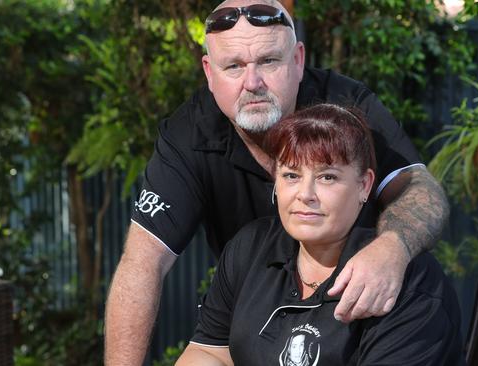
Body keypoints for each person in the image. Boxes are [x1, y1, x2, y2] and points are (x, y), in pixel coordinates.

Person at [104, 1, 450, 364]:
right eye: (234, 66)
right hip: (260, 323)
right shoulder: (190, 138)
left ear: (298, 60)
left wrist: (392, 250)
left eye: (268, 61)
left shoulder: (347, 109)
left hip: (364, 312)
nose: (252, 83)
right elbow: (143, 263)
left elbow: (420, 191)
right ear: (209, 72)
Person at [175, 104, 463, 365]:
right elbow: (209, 351)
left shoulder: (406, 281)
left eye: (327, 177)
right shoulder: (250, 248)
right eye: (292, 176)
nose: (305, 195)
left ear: (364, 185)